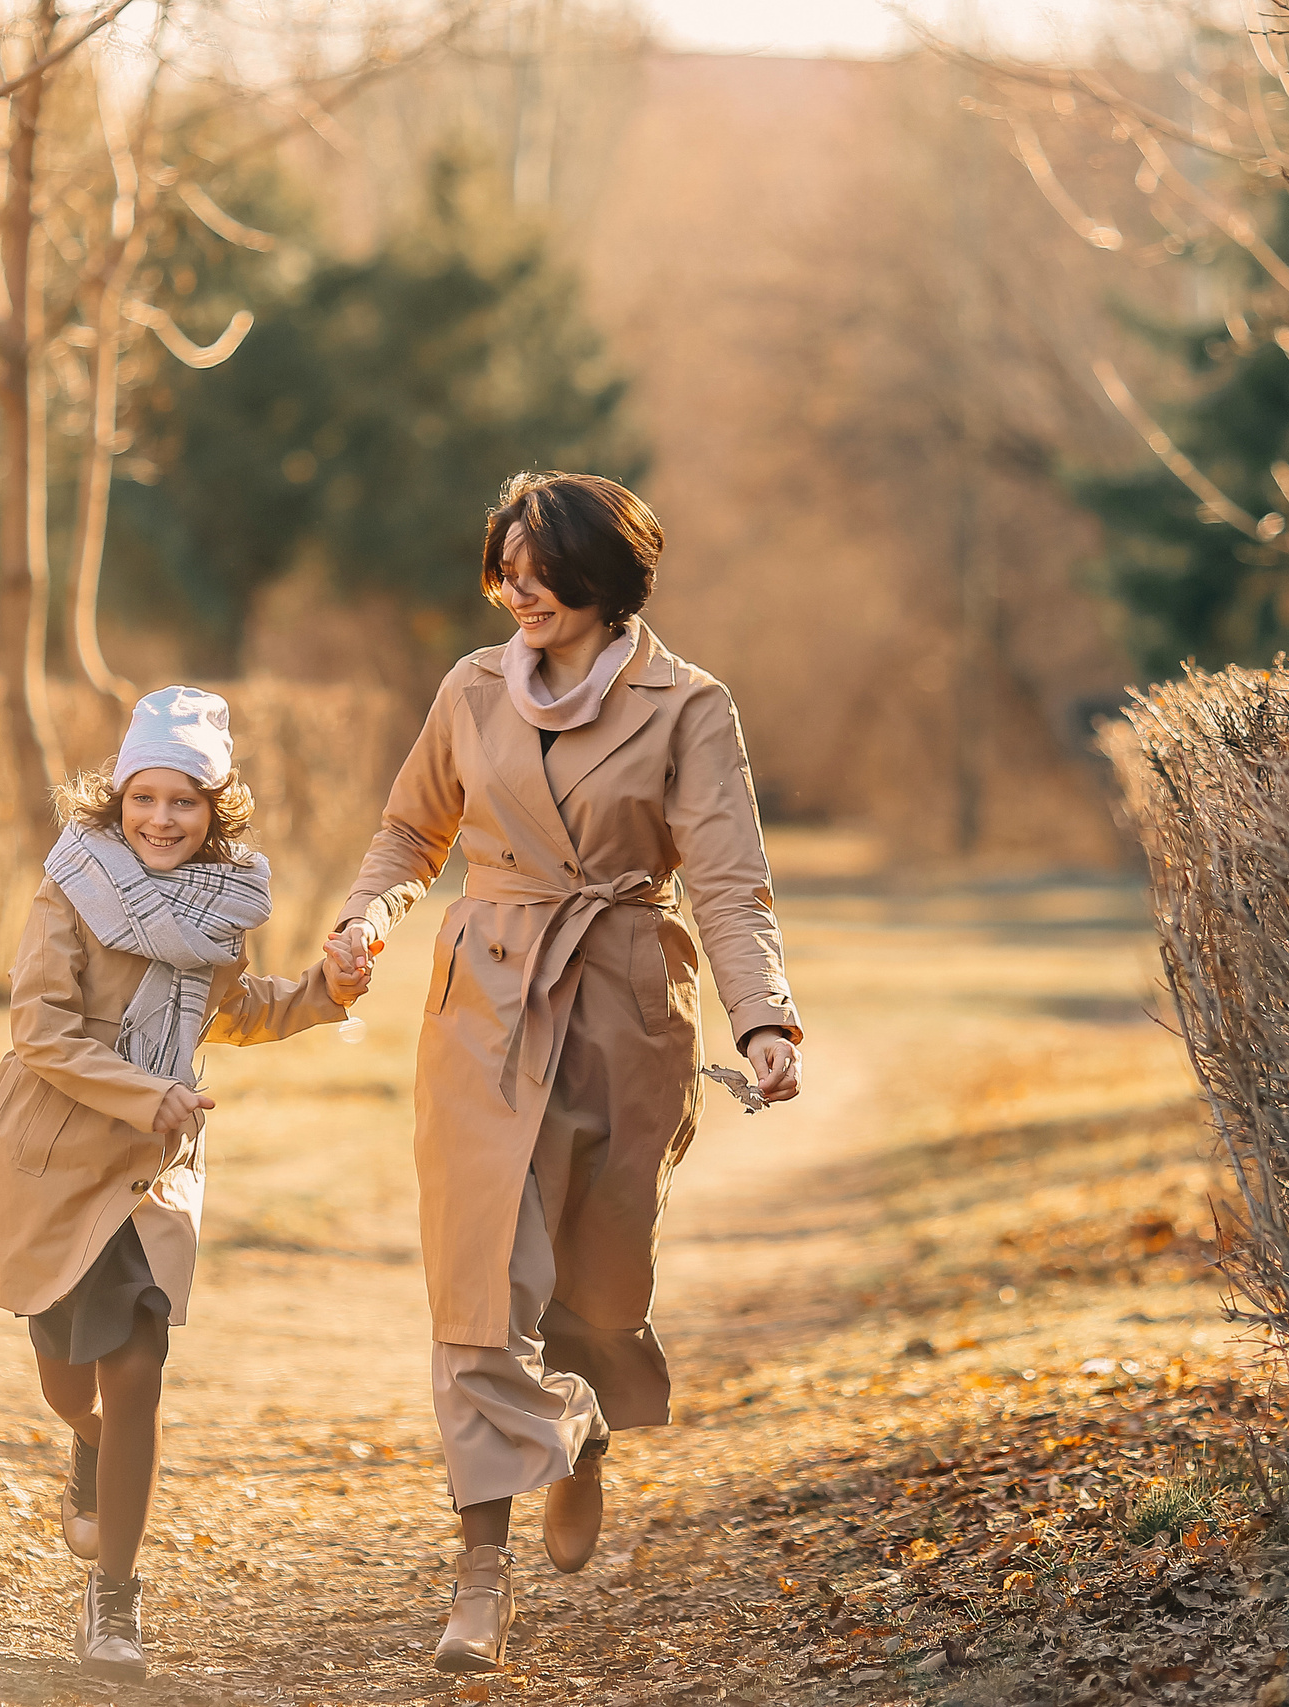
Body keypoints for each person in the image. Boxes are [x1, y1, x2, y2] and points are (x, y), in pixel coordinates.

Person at [332, 472, 805, 1672]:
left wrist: (762, 1020)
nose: (518, 591)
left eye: (539, 570)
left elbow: (728, 880)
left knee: (594, 1290)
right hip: (485, 1002)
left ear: (604, 575)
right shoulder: (469, 687)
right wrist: (368, 916)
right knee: (479, 1285)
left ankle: (581, 1428)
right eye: (505, 570)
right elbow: (411, 831)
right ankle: (478, 1581)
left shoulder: (688, 705)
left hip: (619, 1007)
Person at [0, 686, 369, 1682]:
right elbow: (39, 1030)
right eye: (145, 798)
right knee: (67, 1381)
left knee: (135, 1371)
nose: (162, 819)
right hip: (56, 1157)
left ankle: (115, 1601)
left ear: (214, 809)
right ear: (118, 798)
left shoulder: (223, 901)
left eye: (184, 801)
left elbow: (231, 1009)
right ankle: (88, 1445)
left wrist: (323, 993)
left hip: (149, 1172)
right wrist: (144, 1092)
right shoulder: (70, 886)